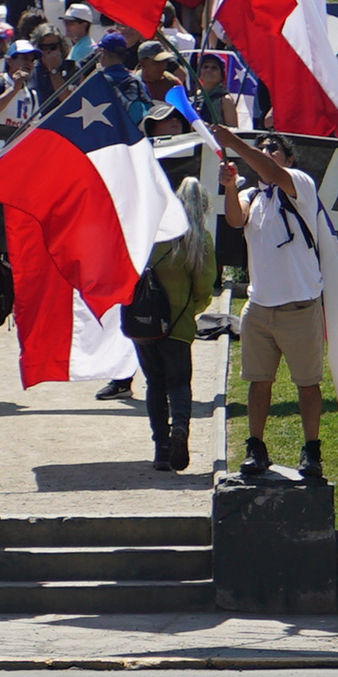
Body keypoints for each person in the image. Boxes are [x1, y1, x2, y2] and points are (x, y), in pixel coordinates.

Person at [219, 130, 329, 481]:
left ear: (289, 159)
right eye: (261, 147)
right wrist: (229, 187)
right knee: (258, 381)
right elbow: (235, 219)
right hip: (259, 307)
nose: (266, 152)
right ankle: (256, 447)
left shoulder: (299, 184)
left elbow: (271, 171)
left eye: (273, 148)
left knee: (307, 383)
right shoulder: (252, 195)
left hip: (299, 306)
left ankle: (311, 450)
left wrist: (235, 144)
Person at [134, 177, 216, 472]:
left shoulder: (152, 232)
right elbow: (205, 286)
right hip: (178, 323)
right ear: (203, 207)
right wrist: (192, 309)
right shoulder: (200, 239)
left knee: (154, 383)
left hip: (144, 322)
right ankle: (180, 426)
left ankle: (161, 448)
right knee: (179, 383)